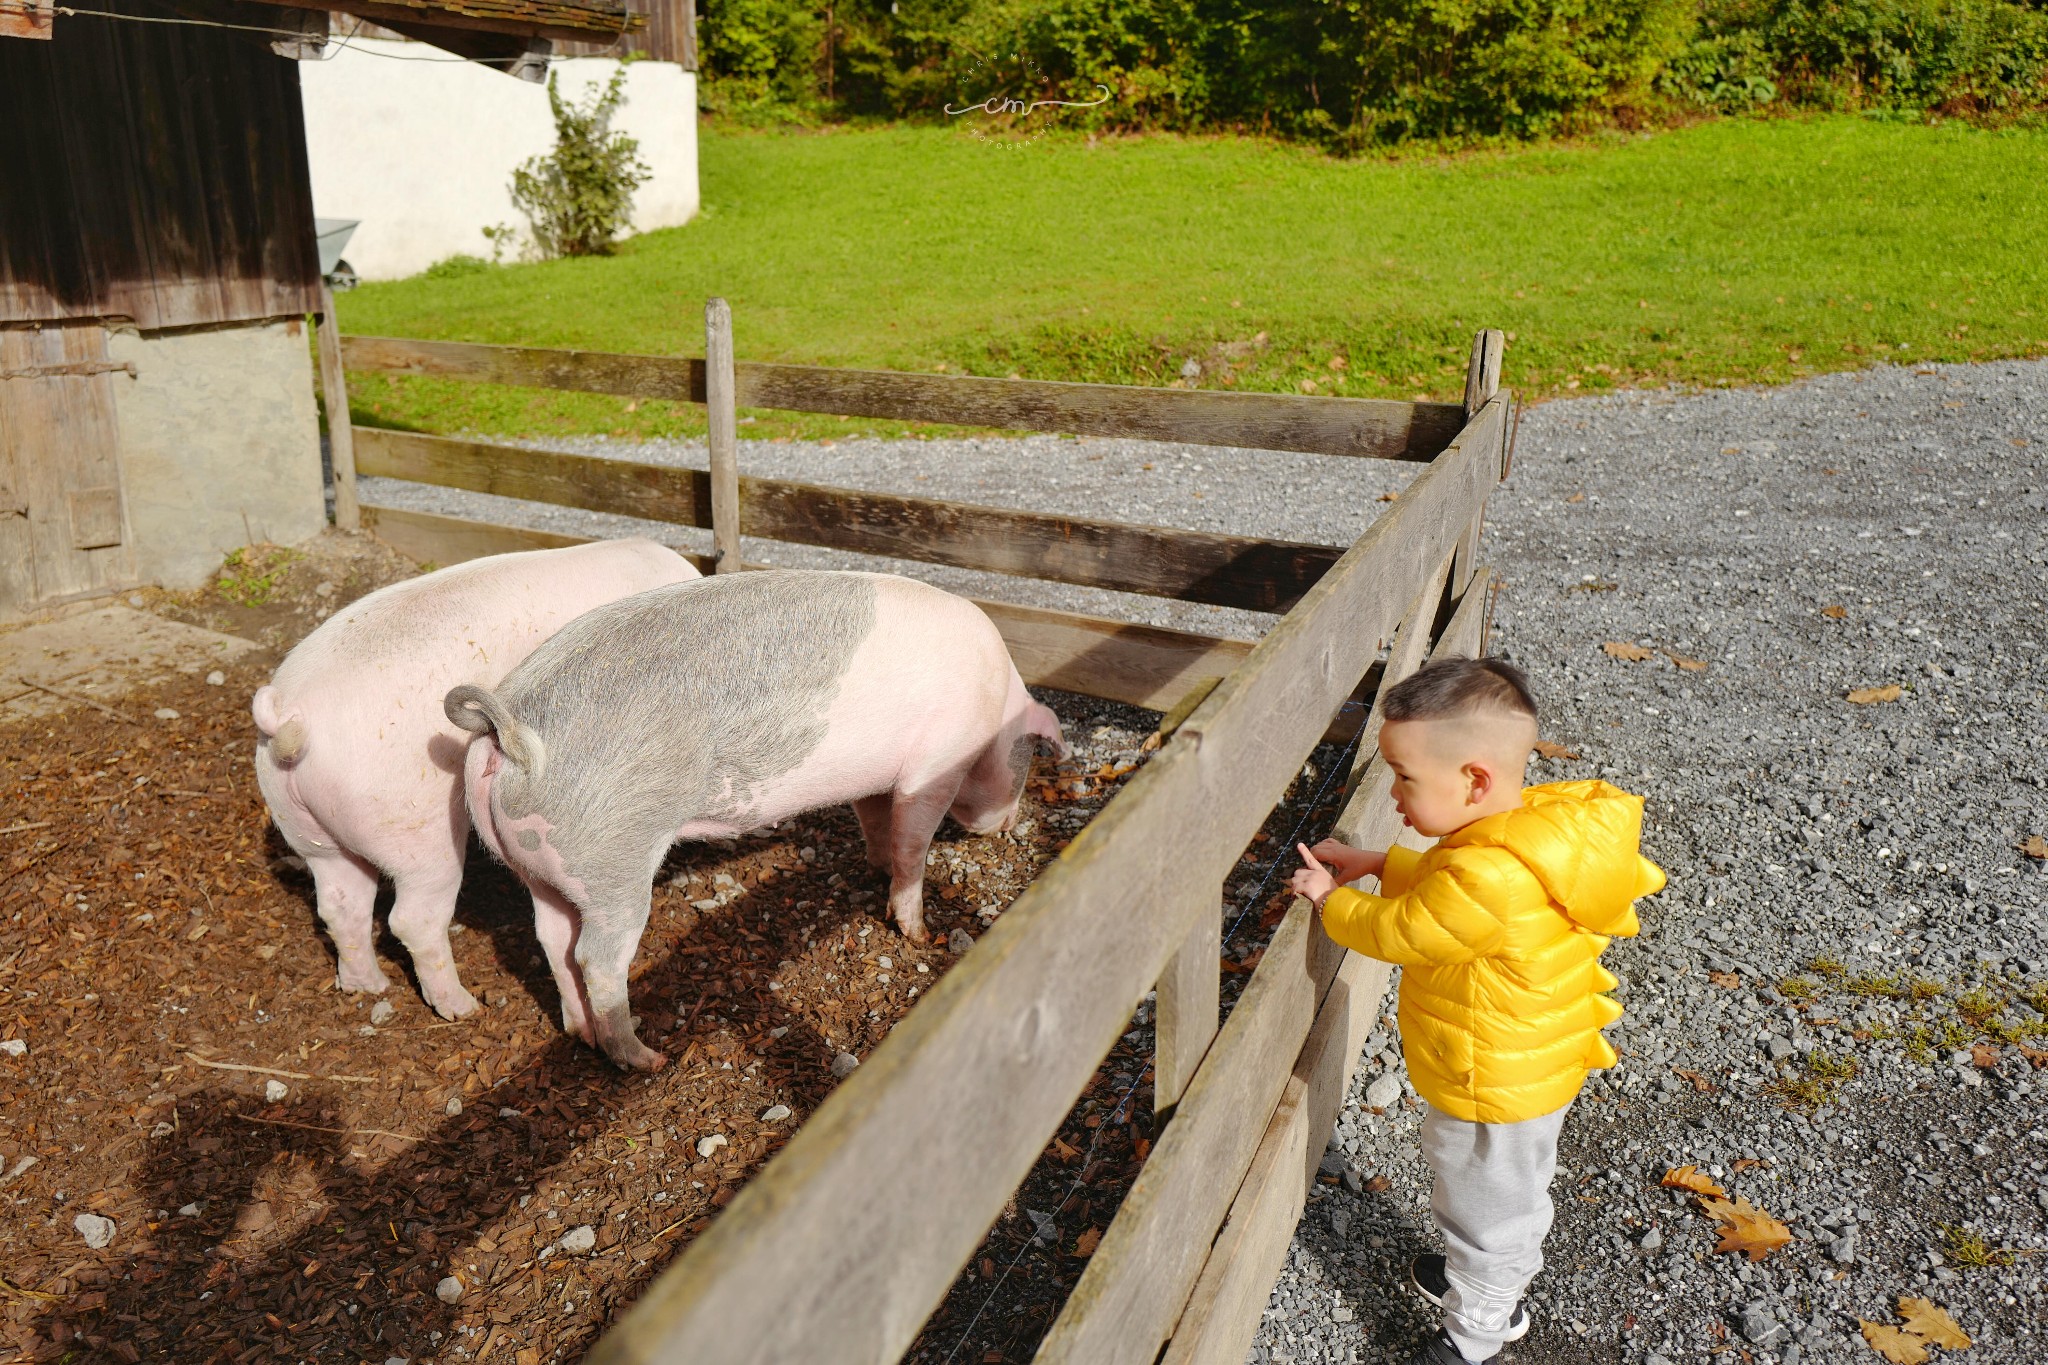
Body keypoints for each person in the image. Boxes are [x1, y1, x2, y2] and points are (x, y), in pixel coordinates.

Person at [1289, 656, 1665, 1365]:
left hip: (1491, 1082)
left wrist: (1330, 898)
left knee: (1489, 1211)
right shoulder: (1513, 833)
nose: (1395, 791)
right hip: (1515, 1064)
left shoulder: (1486, 874)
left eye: (1405, 776)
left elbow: (1401, 929)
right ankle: (1485, 1283)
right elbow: (1444, 891)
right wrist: (1376, 862)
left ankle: (1476, 1335)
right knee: (1492, 1197)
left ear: (1474, 780)